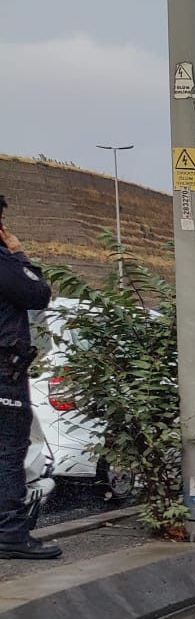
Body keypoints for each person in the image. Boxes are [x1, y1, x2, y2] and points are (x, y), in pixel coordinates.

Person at [0, 207, 60, 560]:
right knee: (7, 453)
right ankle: (10, 533)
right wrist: (18, 253)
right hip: (4, 374)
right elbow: (38, 294)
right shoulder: (4, 263)